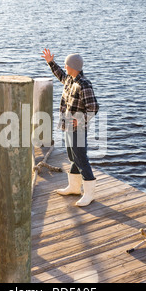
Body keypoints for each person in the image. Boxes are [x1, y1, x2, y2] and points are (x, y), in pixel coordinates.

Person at [41, 48, 99, 206]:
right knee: (73, 157)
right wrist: (50, 62)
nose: (65, 67)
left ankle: (89, 193)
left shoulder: (84, 84)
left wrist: (80, 120)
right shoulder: (69, 80)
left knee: (81, 158)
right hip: (67, 126)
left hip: (78, 128)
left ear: (73, 66)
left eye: (66, 65)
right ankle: (74, 187)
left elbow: (93, 107)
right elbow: (60, 74)